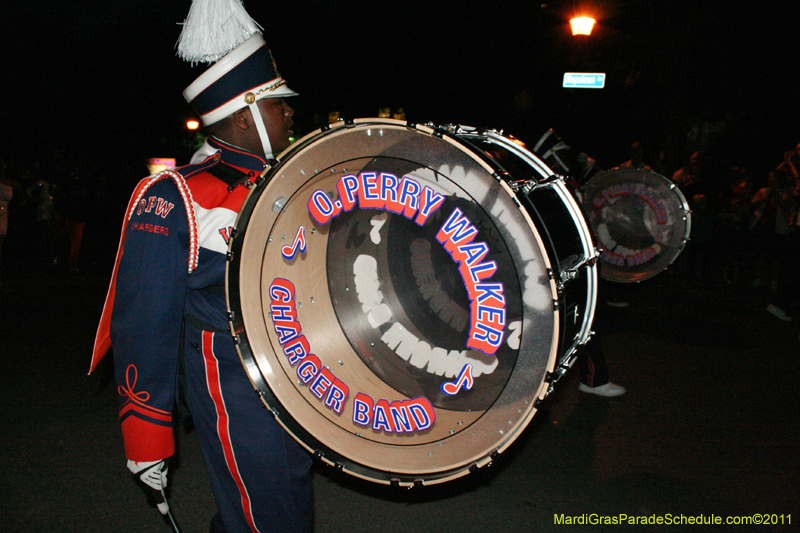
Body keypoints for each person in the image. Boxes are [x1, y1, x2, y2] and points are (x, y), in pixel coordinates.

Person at [90, 4, 313, 531]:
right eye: (279, 107)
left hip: (302, 383)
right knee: (268, 519)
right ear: (245, 116)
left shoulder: (299, 181)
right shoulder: (177, 197)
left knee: (278, 502)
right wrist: (147, 435)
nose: (290, 115)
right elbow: (144, 320)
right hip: (237, 392)